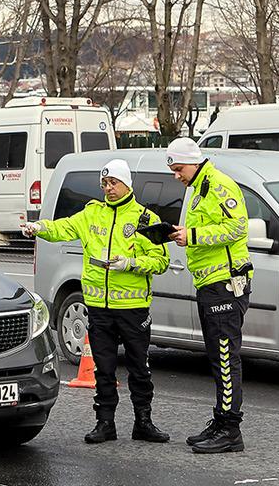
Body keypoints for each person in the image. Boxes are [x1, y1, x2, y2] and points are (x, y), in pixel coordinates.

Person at [20, 159, 171, 445]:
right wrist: (38, 227)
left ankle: (144, 422)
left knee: (140, 368)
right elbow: (62, 228)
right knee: (103, 368)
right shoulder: (92, 214)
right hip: (99, 308)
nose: (108, 188)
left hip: (133, 308)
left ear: (127, 184)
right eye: (104, 184)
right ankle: (105, 424)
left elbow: (161, 261)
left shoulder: (144, 219)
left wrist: (129, 263)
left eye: (113, 183)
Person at [165, 137, 251, 454]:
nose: (177, 176)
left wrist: (194, 235)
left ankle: (230, 430)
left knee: (226, 359)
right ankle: (221, 420)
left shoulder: (218, 184)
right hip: (209, 284)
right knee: (217, 358)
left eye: (178, 168)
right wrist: (182, 235)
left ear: (193, 161)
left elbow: (237, 228)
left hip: (226, 283)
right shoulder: (199, 188)